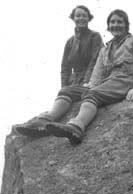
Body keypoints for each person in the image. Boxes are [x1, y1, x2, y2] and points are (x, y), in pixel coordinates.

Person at [42, 9, 133, 144]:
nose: (115, 25)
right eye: (112, 22)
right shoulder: (105, 49)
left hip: (125, 81)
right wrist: (87, 86)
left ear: (126, 25)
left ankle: (76, 127)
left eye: (119, 22)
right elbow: (97, 74)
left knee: (93, 94)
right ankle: (45, 121)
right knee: (67, 91)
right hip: (107, 83)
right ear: (108, 26)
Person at [15, 5, 104, 137]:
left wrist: (87, 81)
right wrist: (64, 86)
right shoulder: (70, 42)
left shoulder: (94, 36)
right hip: (75, 81)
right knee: (64, 94)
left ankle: (45, 122)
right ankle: (43, 125)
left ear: (89, 18)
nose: (81, 18)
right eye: (78, 15)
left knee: (70, 93)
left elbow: (96, 60)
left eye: (84, 15)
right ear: (73, 18)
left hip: (92, 79)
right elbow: (65, 67)